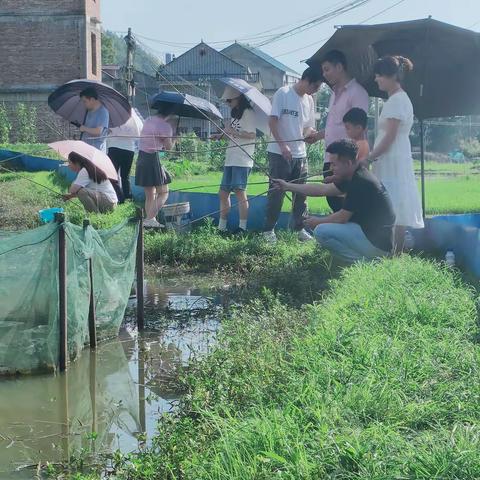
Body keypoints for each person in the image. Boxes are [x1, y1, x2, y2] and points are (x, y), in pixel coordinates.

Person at [273, 139, 395, 264]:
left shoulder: (360, 182)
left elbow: (342, 218)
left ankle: (364, 262)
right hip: (373, 236)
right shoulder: (355, 174)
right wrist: (287, 186)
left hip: (377, 245)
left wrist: (317, 221)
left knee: (321, 231)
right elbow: (322, 189)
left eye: (334, 164)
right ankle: (367, 259)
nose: (331, 168)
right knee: (326, 227)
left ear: (348, 163)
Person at [367, 55, 424, 251]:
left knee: (394, 202)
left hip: (392, 156)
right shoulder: (397, 99)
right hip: (394, 156)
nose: (376, 79)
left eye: (379, 75)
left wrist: (370, 156)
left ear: (392, 76)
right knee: (396, 201)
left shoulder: (397, 100)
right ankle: (394, 251)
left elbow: (389, 136)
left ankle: (394, 252)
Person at [263, 66, 323, 243]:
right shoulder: (284, 93)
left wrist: (312, 133)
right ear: (307, 80)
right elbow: (272, 121)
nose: (316, 90)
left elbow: (307, 126)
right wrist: (283, 146)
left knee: (301, 194)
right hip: (279, 153)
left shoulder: (309, 100)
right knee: (276, 192)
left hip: (300, 153)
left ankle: (299, 229)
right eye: (316, 86)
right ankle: (268, 231)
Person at [305, 50, 369, 212]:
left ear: (339, 67)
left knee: (347, 206)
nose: (324, 75)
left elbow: (359, 130)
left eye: (327, 69)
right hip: (331, 158)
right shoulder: (334, 94)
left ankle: (353, 235)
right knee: (333, 201)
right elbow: (334, 126)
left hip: (346, 161)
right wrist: (318, 136)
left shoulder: (357, 93)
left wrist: (356, 163)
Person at [213, 87, 256, 234]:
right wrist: (220, 136)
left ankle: (242, 228)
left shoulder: (248, 113)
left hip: (242, 159)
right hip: (230, 158)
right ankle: (221, 227)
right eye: (227, 100)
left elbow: (251, 135)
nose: (228, 103)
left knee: (239, 192)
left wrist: (232, 131)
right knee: (223, 193)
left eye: (230, 100)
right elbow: (232, 134)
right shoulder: (234, 114)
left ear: (238, 98)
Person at [135, 103, 175, 228]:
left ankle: (150, 221)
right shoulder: (165, 126)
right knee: (164, 192)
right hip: (153, 158)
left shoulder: (148, 120)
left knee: (150, 194)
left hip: (141, 157)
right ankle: (149, 218)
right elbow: (168, 147)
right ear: (169, 113)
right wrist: (174, 138)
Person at [107, 111, 142, 202]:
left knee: (112, 175)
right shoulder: (133, 117)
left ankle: (119, 196)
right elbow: (138, 133)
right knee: (125, 176)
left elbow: (109, 129)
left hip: (114, 147)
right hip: (129, 149)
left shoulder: (114, 115)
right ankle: (128, 196)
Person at [74, 87, 110, 152]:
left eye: (85, 101)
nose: (84, 104)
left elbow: (98, 131)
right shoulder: (89, 111)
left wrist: (84, 128)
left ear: (92, 99)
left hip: (96, 151)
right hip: (86, 149)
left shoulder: (102, 112)